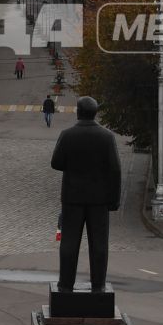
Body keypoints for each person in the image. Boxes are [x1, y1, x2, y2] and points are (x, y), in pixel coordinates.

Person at [49, 96, 121, 294]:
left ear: (78, 112)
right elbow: (115, 170)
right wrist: (114, 200)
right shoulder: (106, 137)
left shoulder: (68, 134)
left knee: (69, 243)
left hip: (72, 198)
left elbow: (56, 163)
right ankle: (98, 286)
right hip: (99, 200)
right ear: (96, 112)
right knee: (99, 244)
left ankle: (65, 285)